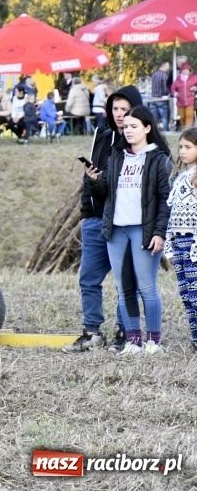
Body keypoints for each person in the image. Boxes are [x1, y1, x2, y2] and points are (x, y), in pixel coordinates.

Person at [85, 105, 173, 356]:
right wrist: (94, 181)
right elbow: (105, 193)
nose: (129, 131)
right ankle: (133, 342)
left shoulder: (159, 159)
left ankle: (153, 342)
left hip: (143, 231)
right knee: (124, 289)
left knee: (146, 287)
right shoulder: (116, 157)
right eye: (126, 127)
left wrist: (159, 233)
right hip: (116, 231)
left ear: (147, 128)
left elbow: (165, 201)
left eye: (134, 126)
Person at [64, 85, 145, 354]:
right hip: (96, 219)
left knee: (126, 281)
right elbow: (89, 179)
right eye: (115, 108)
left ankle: (126, 332)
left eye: (125, 109)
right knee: (88, 279)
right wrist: (87, 212)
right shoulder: (102, 136)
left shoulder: (141, 145)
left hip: (124, 222)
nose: (119, 114)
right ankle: (92, 333)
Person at [164, 127, 197, 353]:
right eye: (181, 147)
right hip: (178, 241)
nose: (182, 151)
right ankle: (195, 337)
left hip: (193, 242)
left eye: (188, 147)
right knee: (186, 293)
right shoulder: (180, 176)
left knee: (195, 293)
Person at [170, 62, 197, 129]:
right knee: (182, 117)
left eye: (187, 70)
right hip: (180, 102)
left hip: (190, 101)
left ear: (190, 70)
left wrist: (195, 88)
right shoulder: (178, 79)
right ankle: (184, 129)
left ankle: (187, 130)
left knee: (189, 115)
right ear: (181, 71)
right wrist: (175, 93)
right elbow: (173, 88)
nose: (185, 71)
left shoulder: (194, 77)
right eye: (184, 70)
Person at [149, 62, 170, 132]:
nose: (168, 68)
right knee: (164, 117)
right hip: (161, 99)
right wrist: (168, 94)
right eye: (167, 66)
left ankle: (154, 131)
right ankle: (166, 131)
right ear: (164, 65)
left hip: (153, 99)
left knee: (154, 118)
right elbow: (165, 88)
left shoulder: (154, 75)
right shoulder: (164, 75)